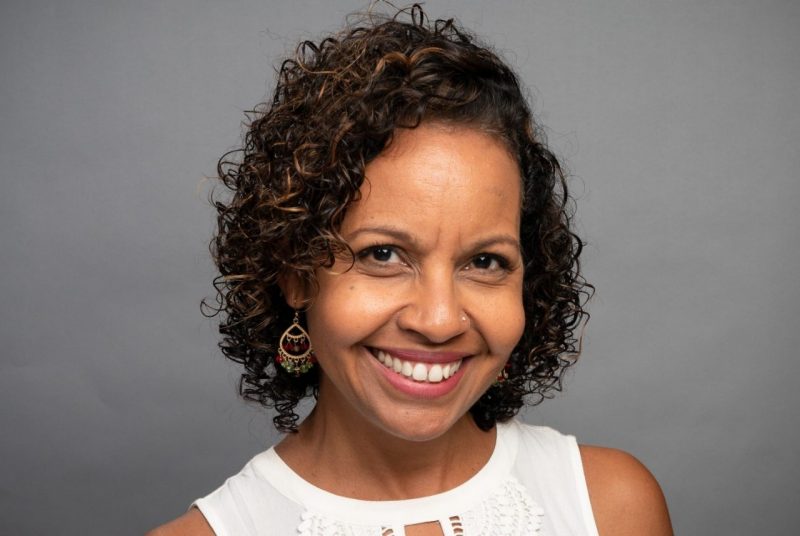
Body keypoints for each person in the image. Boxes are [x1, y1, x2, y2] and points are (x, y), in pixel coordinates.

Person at [151, 5, 672, 535]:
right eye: (383, 255)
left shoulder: (614, 508)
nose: (440, 320)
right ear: (296, 272)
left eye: (485, 261)